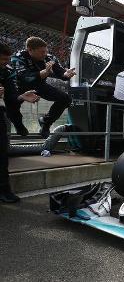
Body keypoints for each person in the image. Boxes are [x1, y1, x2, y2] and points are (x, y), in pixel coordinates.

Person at [11, 37, 76, 138]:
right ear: (30, 50)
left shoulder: (48, 57)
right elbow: (25, 78)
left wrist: (66, 74)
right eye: (42, 52)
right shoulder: (18, 58)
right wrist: (44, 73)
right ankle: (18, 124)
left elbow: (59, 71)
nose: (45, 54)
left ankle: (46, 122)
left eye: (46, 51)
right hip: (19, 86)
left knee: (65, 99)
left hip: (38, 85)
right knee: (12, 105)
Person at [0, 42, 40, 203]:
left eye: (6, 59)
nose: (5, 63)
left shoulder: (8, 70)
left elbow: (11, 96)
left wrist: (21, 97)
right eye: (2, 59)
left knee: (2, 154)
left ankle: (4, 190)